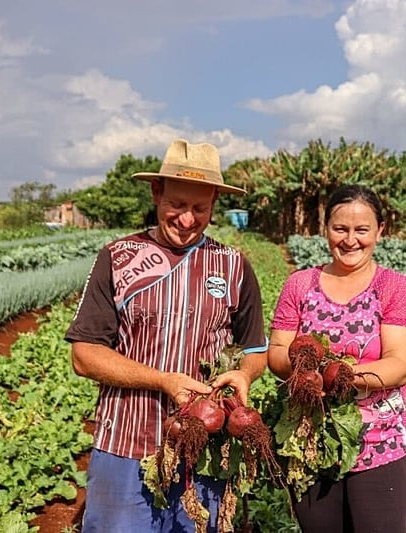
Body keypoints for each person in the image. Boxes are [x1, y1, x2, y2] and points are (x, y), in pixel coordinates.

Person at [65, 139, 268, 533]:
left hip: (205, 448)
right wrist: (163, 380)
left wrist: (245, 374)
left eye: (200, 208)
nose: (188, 219)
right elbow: (84, 355)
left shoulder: (233, 265)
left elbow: (255, 349)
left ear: (214, 204)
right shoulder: (119, 257)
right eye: (177, 204)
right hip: (126, 441)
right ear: (156, 193)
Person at [267, 184, 406, 533]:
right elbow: (277, 352)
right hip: (309, 441)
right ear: (325, 229)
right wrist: (302, 369)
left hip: (379, 445)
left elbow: (400, 366)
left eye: (361, 230)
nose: (350, 240)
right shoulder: (300, 284)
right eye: (340, 229)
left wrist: (336, 375)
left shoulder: (395, 288)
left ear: (380, 231)